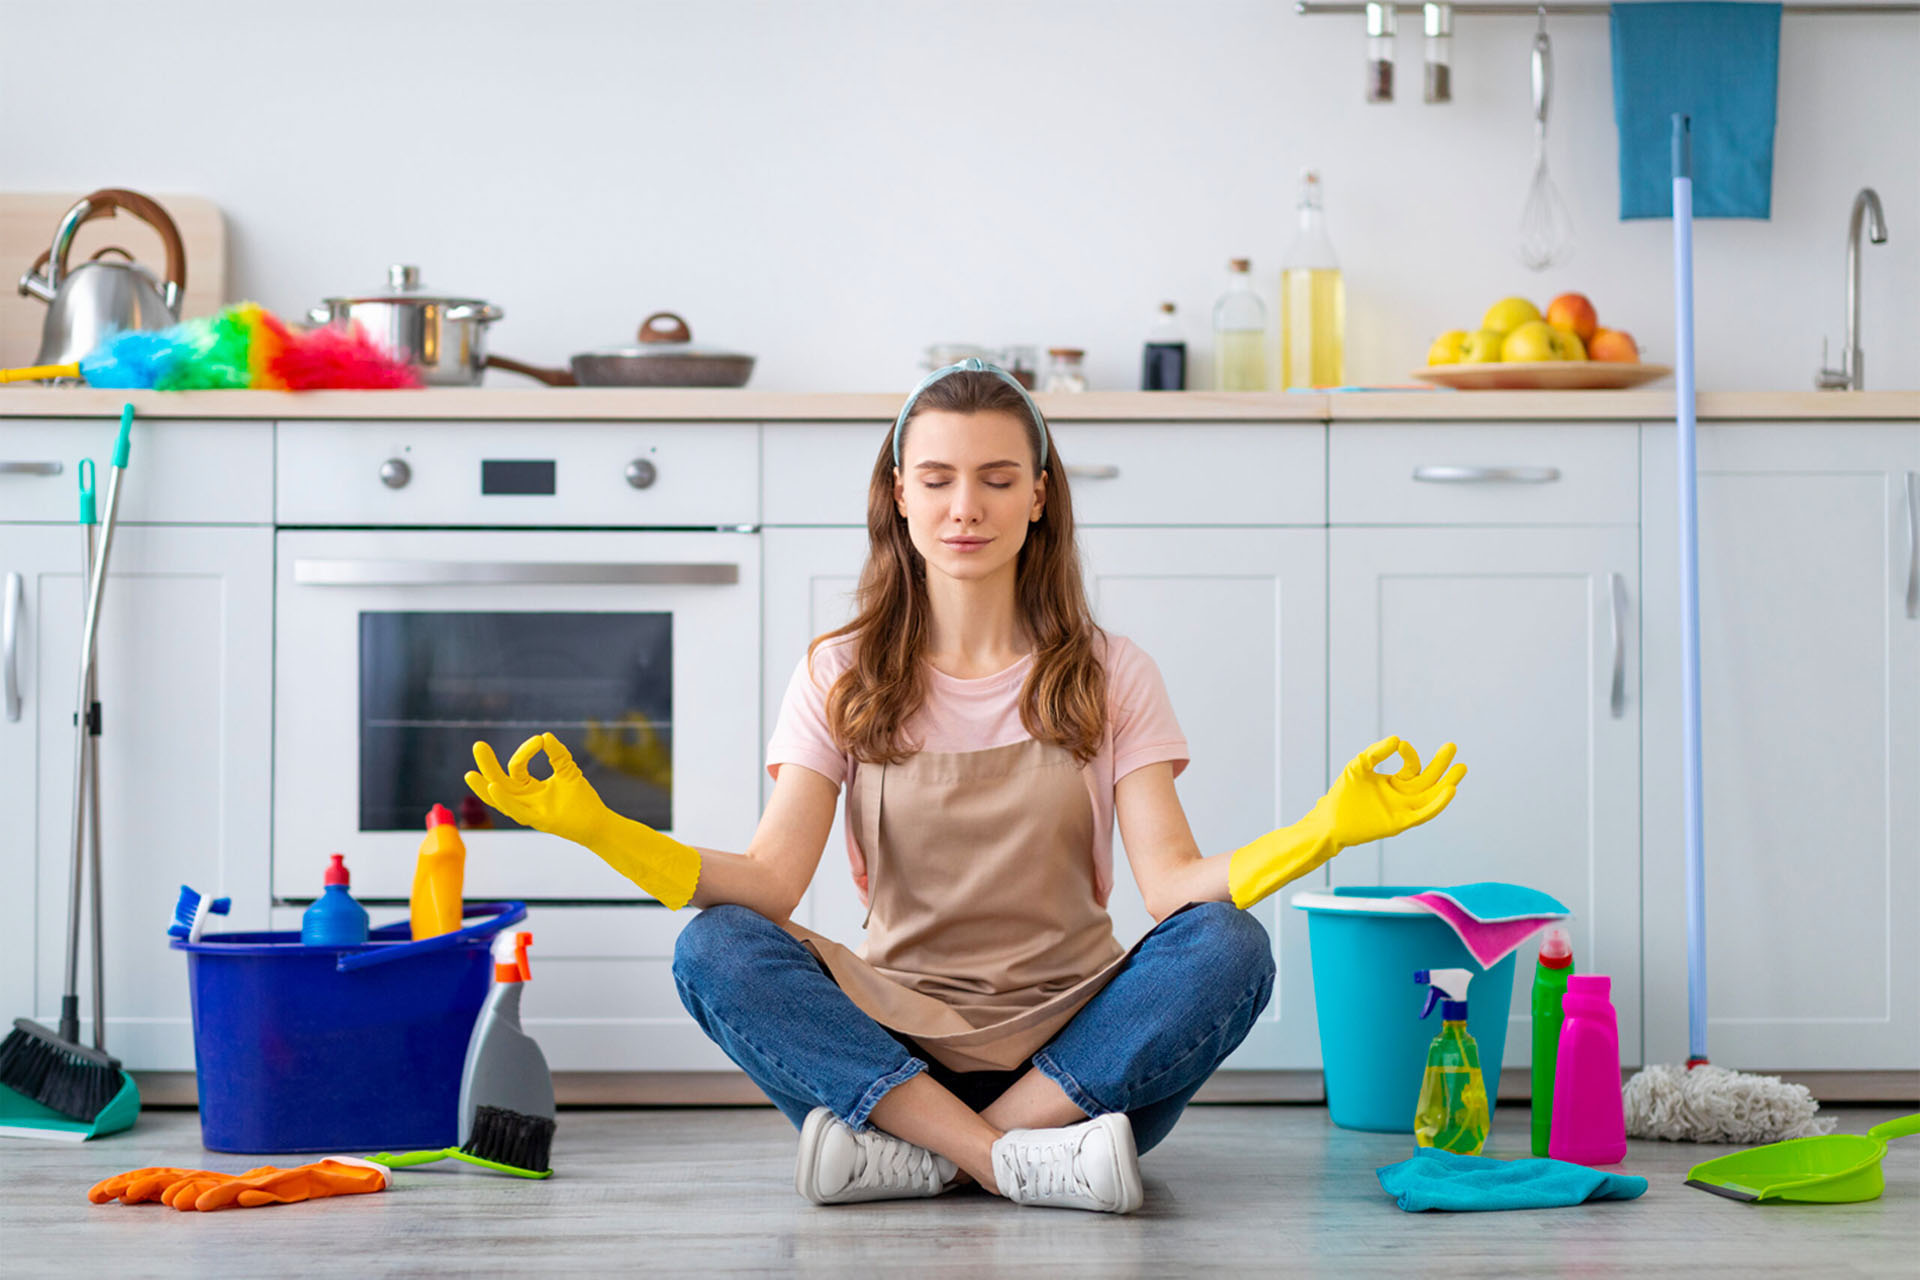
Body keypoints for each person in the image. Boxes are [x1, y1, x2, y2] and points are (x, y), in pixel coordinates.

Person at [465, 360, 1466, 1215]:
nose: (965, 507)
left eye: (995, 478)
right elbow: (769, 883)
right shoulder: (840, 672)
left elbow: (1170, 890)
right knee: (717, 946)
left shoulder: (1113, 672)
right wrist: (599, 825)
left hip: (1082, 1046)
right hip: (891, 1033)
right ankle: (1007, 1160)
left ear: (1039, 493)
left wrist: (1326, 827)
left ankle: (924, 1153)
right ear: (899, 492)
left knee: (1231, 944)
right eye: (938, 478)